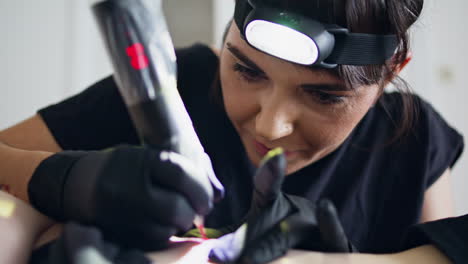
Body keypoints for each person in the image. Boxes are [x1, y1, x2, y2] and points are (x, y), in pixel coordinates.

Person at [0, 0, 464, 261]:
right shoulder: (173, 85)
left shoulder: (415, 141)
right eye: (246, 70)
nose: (269, 124)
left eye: (324, 96)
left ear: (391, 71)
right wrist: (59, 180)